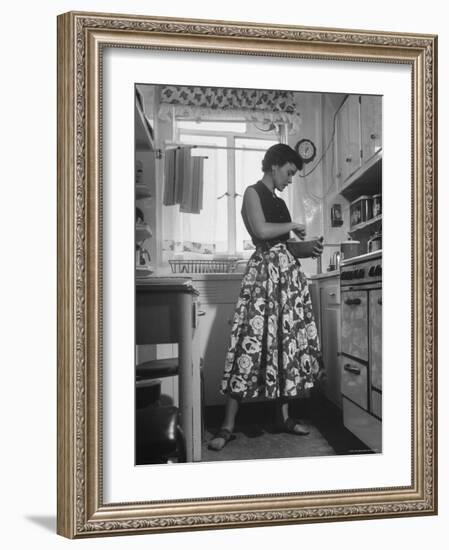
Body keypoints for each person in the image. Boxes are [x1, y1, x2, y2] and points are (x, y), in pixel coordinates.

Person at [208, 143, 324, 451]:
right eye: (288, 172)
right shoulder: (251, 192)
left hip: (287, 278)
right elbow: (260, 230)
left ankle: (282, 418)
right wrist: (293, 225)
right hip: (263, 278)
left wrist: (307, 246)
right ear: (274, 166)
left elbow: (284, 245)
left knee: (284, 346)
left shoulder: (280, 203)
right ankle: (227, 426)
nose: (289, 179)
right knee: (250, 341)